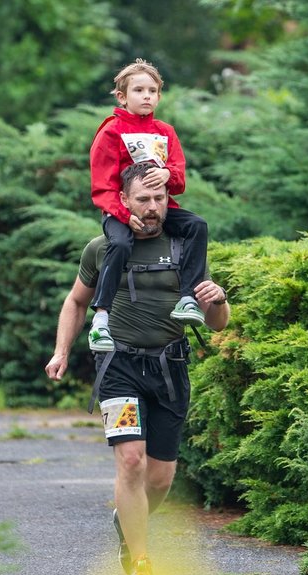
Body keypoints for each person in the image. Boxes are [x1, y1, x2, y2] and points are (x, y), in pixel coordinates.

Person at [45, 163, 230, 575]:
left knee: (160, 479)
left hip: (170, 369)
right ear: (124, 200)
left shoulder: (184, 245)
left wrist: (219, 299)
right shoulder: (103, 247)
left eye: (159, 198)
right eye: (142, 199)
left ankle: (125, 518)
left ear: (168, 200)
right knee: (131, 461)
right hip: (118, 368)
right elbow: (76, 302)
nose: (151, 207)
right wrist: (61, 351)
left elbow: (217, 323)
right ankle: (140, 563)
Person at [87, 58, 209, 354]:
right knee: (119, 243)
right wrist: (123, 214)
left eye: (152, 91)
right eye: (139, 90)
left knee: (197, 225)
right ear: (122, 96)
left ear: (159, 96)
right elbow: (101, 187)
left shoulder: (165, 131)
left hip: (160, 209)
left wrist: (168, 174)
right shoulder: (111, 132)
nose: (146, 96)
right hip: (120, 211)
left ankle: (187, 299)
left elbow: (179, 181)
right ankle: (101, 318)